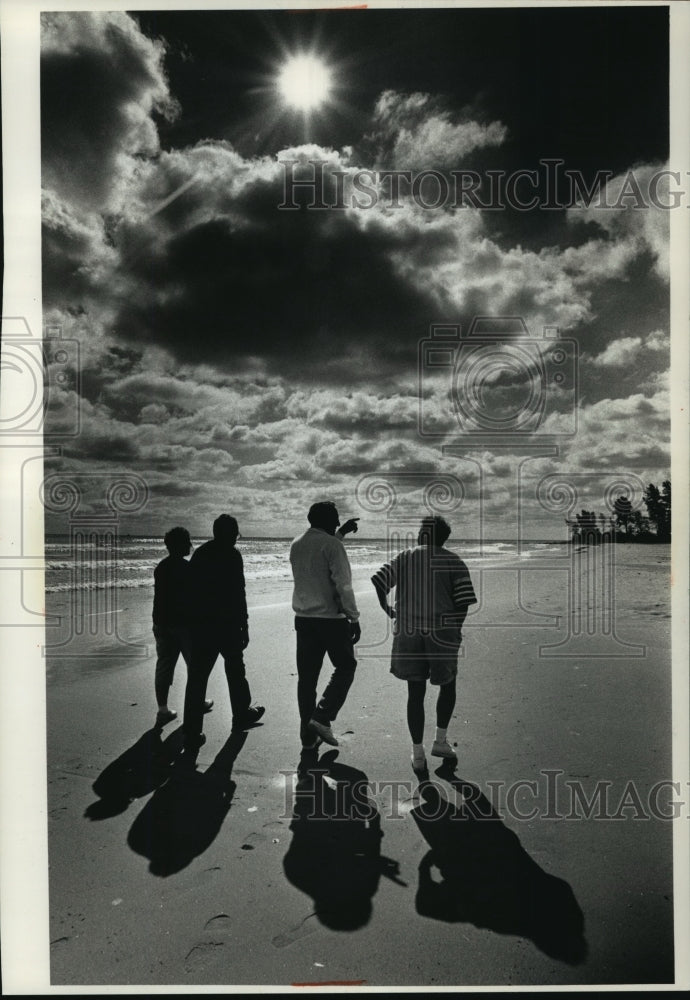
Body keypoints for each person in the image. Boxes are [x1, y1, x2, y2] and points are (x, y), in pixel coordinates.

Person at [371, 515, 477, 773]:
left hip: (408, 634)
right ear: (443, 538)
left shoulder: (405, 557)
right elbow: (463, 602)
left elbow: (378, 579)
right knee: (447, 685)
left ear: (422, 535)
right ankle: (440, 741)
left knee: (414, 693)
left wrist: (387, 608)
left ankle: (418, 754)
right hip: (441, 634)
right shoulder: (454, 561)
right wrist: (454, 629)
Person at [182, 515, 264, 752]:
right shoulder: (233, 555)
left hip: (202, 627)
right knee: (236, 670)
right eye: (236, 534)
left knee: (197, 680)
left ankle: (191, 733)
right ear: (231, 534)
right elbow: (239, 593)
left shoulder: (200, 554)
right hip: (227, 625)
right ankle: (241, 714)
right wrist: (244, 625)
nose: (236, 539)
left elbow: (190, 592)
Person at [289, 501, 361, 749]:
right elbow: (343, 583)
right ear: (327, 521)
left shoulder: (297, 544)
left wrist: (342, 535)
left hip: (304, 620)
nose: (338, 523)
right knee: (346, 666)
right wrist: (353, 616)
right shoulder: (332, 545)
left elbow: (320, 553)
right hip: (331, 620)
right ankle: (322, 716)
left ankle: (307, 737)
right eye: (336, 519)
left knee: (307, 679)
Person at [152, 526, 213, 725]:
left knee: (164, 666)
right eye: (187, 541)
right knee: (195, 666)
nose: (190, 545)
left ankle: (163, 709)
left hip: (162, 623)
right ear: (180, 545)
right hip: (184, 625)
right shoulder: (187, 568)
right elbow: (197, 598)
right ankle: (197, 702)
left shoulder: (161, 567)